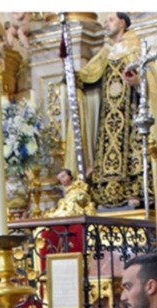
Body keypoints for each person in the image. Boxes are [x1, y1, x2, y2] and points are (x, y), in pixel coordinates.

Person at [65, 12, 157, 209]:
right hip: (108, 117)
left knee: (133, 151)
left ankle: (135, 194)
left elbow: (150, 79)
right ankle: (106, 195)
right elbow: (90, 76)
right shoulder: (105, 52)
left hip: (131, 112)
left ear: (122, 22)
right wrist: (73, 76)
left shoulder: (136, 46)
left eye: (110, 20)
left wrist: (138, 83)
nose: (106, 24)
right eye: (105, 21)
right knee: (106, 154)